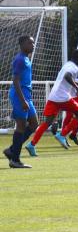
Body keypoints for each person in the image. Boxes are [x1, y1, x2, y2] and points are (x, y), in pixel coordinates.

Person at [26, 50, 78, 155]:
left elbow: (66, 78)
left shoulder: (67, 65)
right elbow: (67, 77)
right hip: (63, 97)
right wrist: (76, 87)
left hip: (53, 96)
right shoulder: (72, 67)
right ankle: (62, 135)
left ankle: (31, 144)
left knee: (47, 122)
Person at [3, 36, 38, 168]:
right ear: (22, 44)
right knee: (21, 126)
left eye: (33, 42)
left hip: (26, 96)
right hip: (20, 96)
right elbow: (15, 80)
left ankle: (12, 150)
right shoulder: (20, 60)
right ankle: (15, 160)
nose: (33, 45)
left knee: (34, 124)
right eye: (30, 42)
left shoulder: (26, 59)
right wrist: (23, 100)